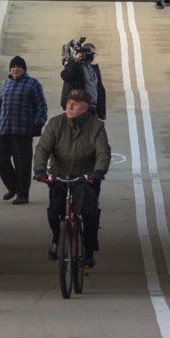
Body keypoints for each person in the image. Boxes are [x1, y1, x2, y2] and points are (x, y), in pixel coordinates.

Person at [34, 87, 111, 268]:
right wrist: (40, 170)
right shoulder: (55, 124)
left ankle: (89, 250)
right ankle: (57, 239)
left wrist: (98, 172)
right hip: (60, 176)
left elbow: (103, 153)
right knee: (55, 212)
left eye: (75, 104)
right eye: (68, 103)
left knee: (89, 213)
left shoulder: (96, 127)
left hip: (86, 177)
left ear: (85, 108)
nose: (70, 106)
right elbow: (42, 148)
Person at [0, 56, 47, 205]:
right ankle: (12, 187)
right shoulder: (5, 84)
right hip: (5, 129)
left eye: (19, 67)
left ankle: (22, 194)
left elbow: (41, 106)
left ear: (24, 69)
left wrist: (38, 124)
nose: (16, 69)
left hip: (23, 130)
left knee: (22, 163)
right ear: (10, 69)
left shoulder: (33, 84)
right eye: (13, 67)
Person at [60, 40, 108, 121]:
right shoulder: (77, 66)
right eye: (90, 54)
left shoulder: (94, 69)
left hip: (93, 108)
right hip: (80, 108)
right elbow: (66, 76)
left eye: (94, 54)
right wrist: (75, 61)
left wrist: (101, 110)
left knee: (94, 131)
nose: (92, 56)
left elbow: (98, 89)